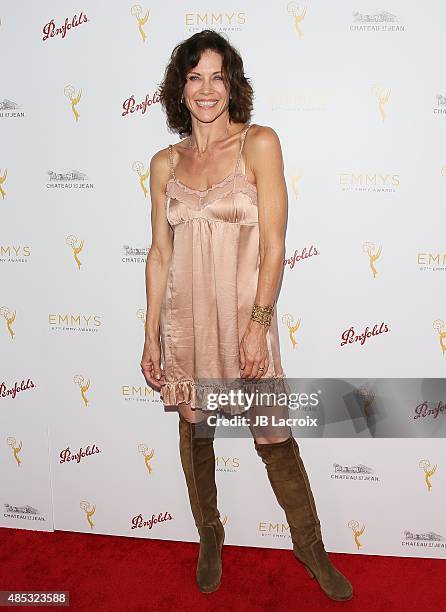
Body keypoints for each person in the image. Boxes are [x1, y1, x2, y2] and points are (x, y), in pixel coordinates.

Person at [141, 29, 353, 601]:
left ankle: (310, 549)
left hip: (243, 320)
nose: (206, 89)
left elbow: (276, 245)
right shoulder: (165, 163)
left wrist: (260, 324)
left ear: (232, 84)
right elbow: (160, 255)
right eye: (194, 77)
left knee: (273, 435)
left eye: (216, 76)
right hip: (183, 321)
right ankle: (210, 537)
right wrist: (150, 336)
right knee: (195, 428)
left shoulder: (259, 143)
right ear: (179, 88)